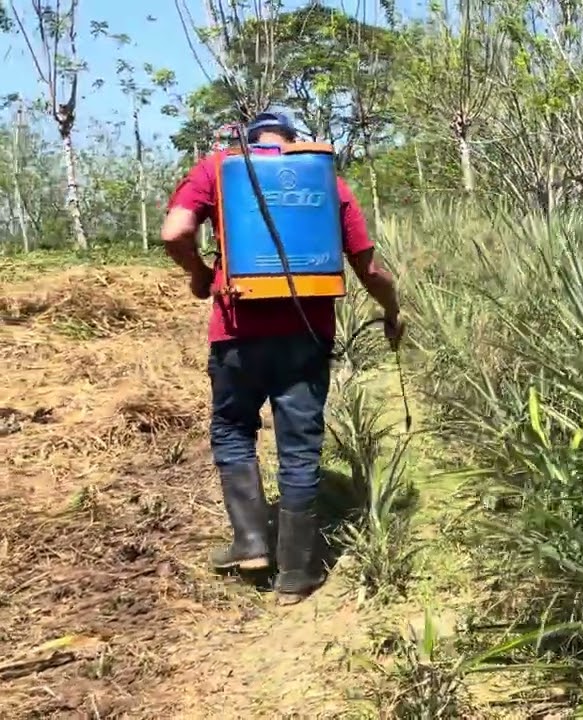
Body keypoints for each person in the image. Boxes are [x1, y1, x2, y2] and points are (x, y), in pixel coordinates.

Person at [159, 111, 404, 605]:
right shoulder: (324, 178)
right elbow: (369, 268)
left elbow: (174, 231)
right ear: (292, 142)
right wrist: (393, 310)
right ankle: (297, 572)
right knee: (299, 446)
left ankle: (250, 542)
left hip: (235, 333)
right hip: (306, 333)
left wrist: (200, 274)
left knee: (232, 429)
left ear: (249, 142)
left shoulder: (217, 168)